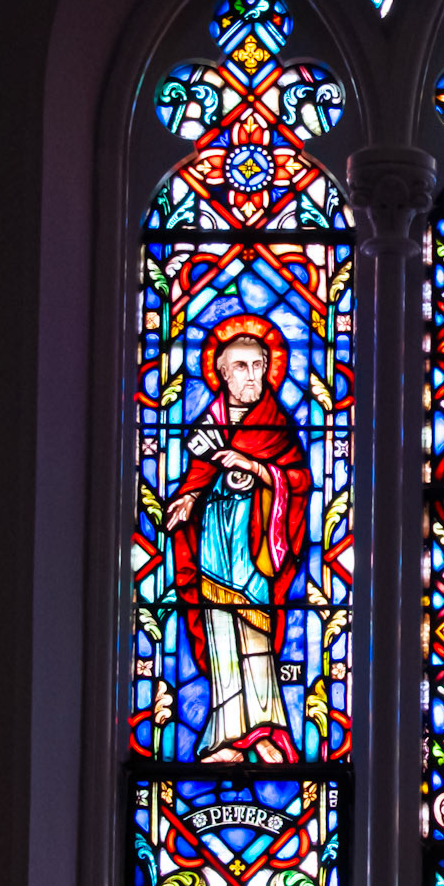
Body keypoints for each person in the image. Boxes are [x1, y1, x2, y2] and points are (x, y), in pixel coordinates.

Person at [165, 319, 310, 763]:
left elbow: (299, 479)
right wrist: (189, 499)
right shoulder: (211, 421)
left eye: (258, 366)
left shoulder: (276, 423)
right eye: (241, 367)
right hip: (213, 537)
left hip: (256, 542)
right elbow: (198, 477)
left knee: (256, 632)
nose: (251, 375)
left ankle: (267, 729)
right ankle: (225, 737)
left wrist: (256, 468)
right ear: (222, 372)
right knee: (220, 633)